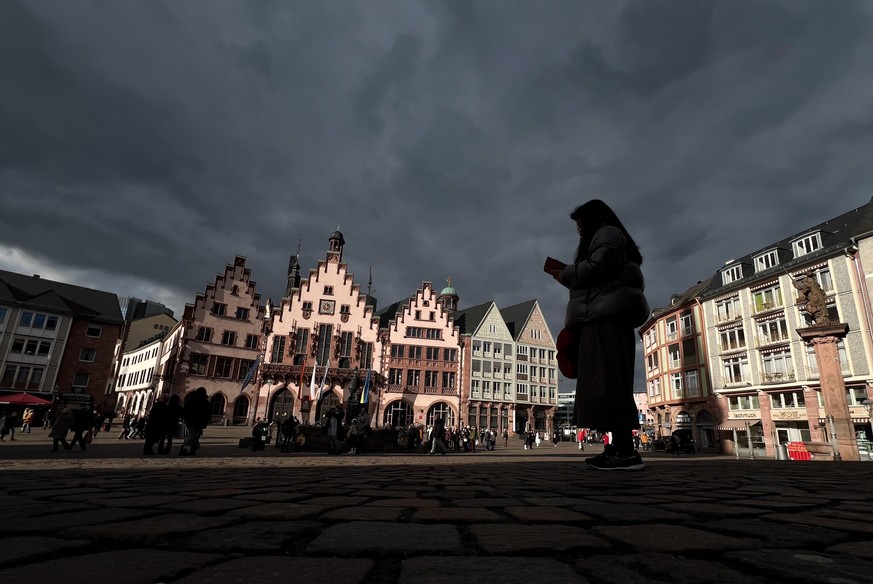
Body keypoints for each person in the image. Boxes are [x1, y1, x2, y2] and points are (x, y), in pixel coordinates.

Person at [548, 199, 649, 471]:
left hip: (605, 317)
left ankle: (626, 452)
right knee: (604, 383)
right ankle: (614, 449)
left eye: (580, 223)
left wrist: (565, 273)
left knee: (609, 382)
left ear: (592, 218)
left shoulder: (606, 234)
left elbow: (597, 269)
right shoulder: (611, 237)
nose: (579, 230)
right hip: (602, 314)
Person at [179, 387, 211, 456]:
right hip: (198, 422)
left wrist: (185, 418)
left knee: (191, 435)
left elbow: (185, 410)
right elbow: (208, 413)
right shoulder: (204, 402)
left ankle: (189, 450)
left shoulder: (190, 400)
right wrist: (205, 421)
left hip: (190, 421)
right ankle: (186, 450)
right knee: (192, 436)